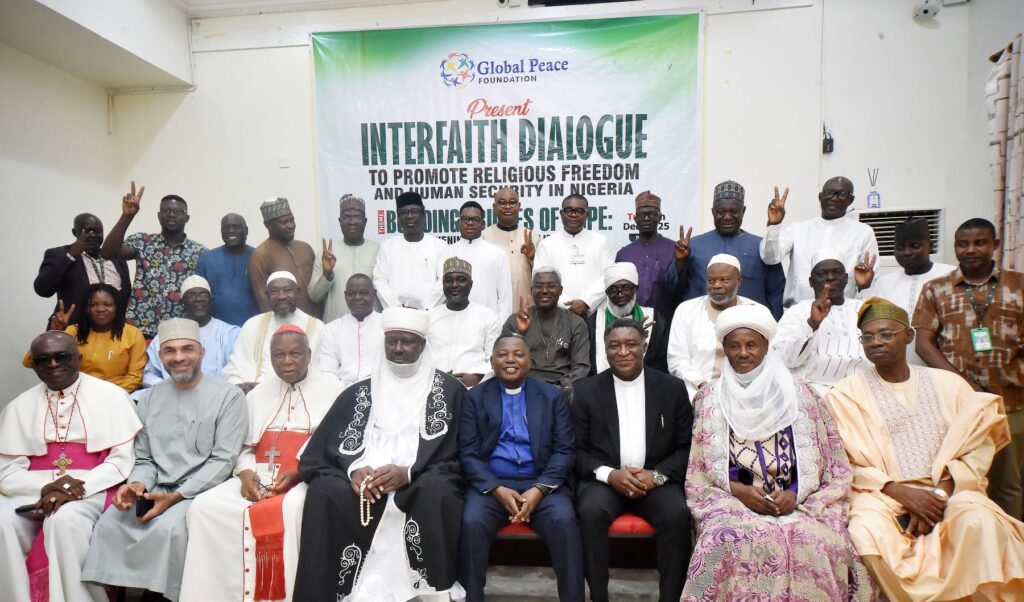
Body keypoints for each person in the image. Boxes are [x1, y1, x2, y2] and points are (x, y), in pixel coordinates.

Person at [828, 297, 1024, 600]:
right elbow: (845, 461)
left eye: (886, 334)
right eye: (868, 337)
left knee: (979, 521)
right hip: (882, 494)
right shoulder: (844, 394)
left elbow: (975, 448)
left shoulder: (950, 385)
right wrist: (900, 491)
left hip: (950, 488)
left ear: (908, 335)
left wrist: (940, 493)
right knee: (865, 531)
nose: (876, 342)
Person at [681, 304, 871, 601]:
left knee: (814, 540)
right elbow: (698, 470)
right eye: (734, 346)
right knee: (729, 539)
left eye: (751, 344)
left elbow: (835, 464)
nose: (743, 353)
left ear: (766, 346)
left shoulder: (803, 394)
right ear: (725, 349)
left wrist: (797, 494)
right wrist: (739, 492)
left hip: (802, 501)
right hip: (734, 503)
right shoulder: (709, 398)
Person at [294, 307, 466, 601]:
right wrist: (353, 469)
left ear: (422, 346)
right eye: (392, 341)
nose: (398, 349)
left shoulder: (451, 391)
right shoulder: (358, 392)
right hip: (365, 485)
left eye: (407, 342)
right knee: (323, 489)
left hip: (418, 480)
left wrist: (408, 471)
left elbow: (457, 452)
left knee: (436, 489)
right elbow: (320, 452)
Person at [81, 318, 247, 601]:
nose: (179, 357)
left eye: (187, 349)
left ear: (201, 353)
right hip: (156, 488)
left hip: (199, 493)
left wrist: (177, 496)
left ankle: (164, 595)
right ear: (160, 357)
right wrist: (135, 486)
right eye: (170, 351)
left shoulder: (228, 396)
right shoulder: (148, 399)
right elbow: (144, 458)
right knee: (111, 523)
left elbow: (223, 460)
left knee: (170, 529)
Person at [180, 325, 346, 602]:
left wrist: (300, 472)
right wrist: (245, 474)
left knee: (291, 508)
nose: (287, 361)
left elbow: (334, 446)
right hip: (258, 473)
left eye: (295, 354)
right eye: (278, 355)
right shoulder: (257, 393)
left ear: (309, 354)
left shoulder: (333, 389)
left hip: (305, 476)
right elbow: (245, 447)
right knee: (202, 508)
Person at [0, 331, 141, 602]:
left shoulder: (111, 396)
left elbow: (121, 459)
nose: (53, 364)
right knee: (2, 520)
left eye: (62, 356)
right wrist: (46, 487)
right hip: (34, 488)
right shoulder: (19, 406)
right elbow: (6, 470)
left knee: (65, 521)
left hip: (93, 486)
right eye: (43, 360)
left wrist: (79, 487)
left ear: (79, 357)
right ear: (34, 365)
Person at [572, 319, 692, 602]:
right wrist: (610, 475)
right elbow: (575, 451)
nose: (623, 352)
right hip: (605, 483)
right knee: (590, 512)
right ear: (605, 349)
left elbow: (687, 447)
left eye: (631, 344)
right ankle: (599, 596)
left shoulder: (671, 389)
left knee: (677, 515)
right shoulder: (586, 391)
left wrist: (657, 476)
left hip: (656, 481)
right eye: (614, 346)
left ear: (644, 347)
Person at [458, 335, 583, 601]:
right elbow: (468, 453)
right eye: (503, 355)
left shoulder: (552, 396)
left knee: (565, 521)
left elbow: (564, 449)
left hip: (541, 483)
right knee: (471, 523)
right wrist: (496, 489)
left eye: (518, 354)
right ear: (491, 361)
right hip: (492, 485)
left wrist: (539, 490)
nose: (511, 360)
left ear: (530, 361)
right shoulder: (475, 398)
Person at [914, 217, 1024, 519]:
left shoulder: (1018, 284)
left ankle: (1012, 553)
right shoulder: (936, 289)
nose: (971, 249)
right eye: (963, 244)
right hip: (957, 404)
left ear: (995, 246)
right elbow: (924, 344)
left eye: (980, 243)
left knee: (1009, 483)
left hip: (1012, 402)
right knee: (959, 479)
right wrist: (965, 386)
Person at [100, 181, 207, 338]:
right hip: (139, 330)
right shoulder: (142, 241)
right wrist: (127, 216)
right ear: (158, 216)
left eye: (178, 211)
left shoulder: (200, 252)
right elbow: (108, 252)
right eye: (166, 210)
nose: (171, 214)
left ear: (187, 218)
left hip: (180, 330)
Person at [673, 181, 786, 319]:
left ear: (743, 211)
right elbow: (674, 289)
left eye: (733, 212)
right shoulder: (693, 246)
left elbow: (776, 292)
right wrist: (680, 262)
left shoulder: (761, 246)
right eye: (721, 212)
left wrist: (773, 328)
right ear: (713, 212)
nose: (727, 217)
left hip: (749, 327)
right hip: (703, 325)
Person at [759, 177, 878, 306]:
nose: (834, 198)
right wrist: (774, 225)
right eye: (829, 193)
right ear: (820, 197)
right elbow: (770, 258)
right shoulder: (798, 229)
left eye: (841, 194)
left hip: (843, 314)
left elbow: (869, 280)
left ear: (851, 199)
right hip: (800, 313)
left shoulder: (863, 232)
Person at [860, 217, 954, 366]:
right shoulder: (884, 283)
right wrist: (864, 287)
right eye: (900, 248)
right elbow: (869, 323)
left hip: (944, 368)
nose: (907, 252)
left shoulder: (950, 276)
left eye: (914, 246)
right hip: (897, 369)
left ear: (930, 246)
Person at [773, 250, 869, 395]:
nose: (830, 277)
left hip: (862, 390)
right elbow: (785, 360)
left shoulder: (863, 308)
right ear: (811, 282)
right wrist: (811, 324)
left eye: (836, 272)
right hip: (815, 393)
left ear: (846, 278)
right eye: (822, 274)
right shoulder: (797, 312)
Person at [668, 254, 758, 398]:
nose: (716, 285)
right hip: (696, 391)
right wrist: (702, 386)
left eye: (724, 280)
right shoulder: (686, 310)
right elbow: (676, 360)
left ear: (739, 280)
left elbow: (768, 355)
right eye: (711, 281)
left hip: (746, 393)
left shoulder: (756, 311)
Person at [31, 282, 148, 394]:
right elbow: (30, 362)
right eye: (93, 305)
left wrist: (110, 395)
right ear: (85, 308)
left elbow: (135, 377)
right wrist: (54, 333)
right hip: (77, 395)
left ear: (117, 307)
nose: (100, 309)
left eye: (108, 304)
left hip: (117, 394)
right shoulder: (72, 331)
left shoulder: (133, 334)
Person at [223, 271, 325, 393]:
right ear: (267, 294)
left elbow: (321, 371)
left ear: (298, 292)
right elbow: (236, 368)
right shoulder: (252, 325)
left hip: (301, 394)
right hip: (256, 394)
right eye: (275, 291)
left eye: (287, 290)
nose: (281, 296)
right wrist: (246, 387)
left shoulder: (317, 327)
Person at [34, 213, 131, 328]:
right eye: (87, 231)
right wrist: (71, 256)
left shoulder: (116, 258)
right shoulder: (59, 254)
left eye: (97, 231)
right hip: (74, 330)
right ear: (75, 232)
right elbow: (43, 289)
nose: (93, 235)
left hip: (113, 333)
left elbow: (126, 296)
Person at [501, 268, 590, 393]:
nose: (544, 291)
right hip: (524, 387)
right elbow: (504, 359)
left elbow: (581, 366)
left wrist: (562, 386)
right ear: (532, 290)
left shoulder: (575, 323)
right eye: (538, 286)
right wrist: (520, 333)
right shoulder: (515, 320)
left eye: (551, 286)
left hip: (561, 388)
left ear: (560, 290)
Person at [142, 275, 240, 387]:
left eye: (203, 295)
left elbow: (236, 372)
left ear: (211, 300)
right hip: (173, 397)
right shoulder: (165, 336)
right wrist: (170, 391)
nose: (198, 299)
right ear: (183, 302)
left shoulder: (230, 334)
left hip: (216, 398)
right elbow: (150, 375)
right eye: (191, 296)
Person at [534, 194, 614, 317]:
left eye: (579, 211)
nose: (573, 214)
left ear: (587, 215)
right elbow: (539, 280)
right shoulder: (547, 244)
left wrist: (586, 302)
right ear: (561, 214)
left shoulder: (600, 241)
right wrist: (568, 306)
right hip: (558, 313)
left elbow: (609, 277)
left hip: (595, 312)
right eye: (568, 210)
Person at [427, 257, 501, 388]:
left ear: (470, 284)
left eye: (461, 280)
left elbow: (494, 359)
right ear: (443, 284)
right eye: (449, 280)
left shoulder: (487, 317)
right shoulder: (429, 317)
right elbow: (422, 358)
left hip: (476, 388)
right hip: (435, 387)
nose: (454, 285)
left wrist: (478, 378)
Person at [586, 262, 669, 375]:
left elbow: (662, 362)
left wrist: (639, 340)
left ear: (635, 289)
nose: (620, 294)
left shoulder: (654, 319)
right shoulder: (594, 322)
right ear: (607, 293)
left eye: (625, 288)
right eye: (613, 289)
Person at [308, 194, 380, 323]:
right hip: (336, 327)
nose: (352, 222)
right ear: (340, 221)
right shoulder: (326, 254)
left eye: (357, 217)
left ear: (365, 221)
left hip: (373, 327)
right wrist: (327, 274)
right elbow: (314, 296)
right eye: (346, 218)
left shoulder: (379, 251)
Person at [373, 191, 449, 309]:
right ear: (398, 218)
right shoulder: (387, 247)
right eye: (403, 212)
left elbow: (444, 280)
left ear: (423, 215)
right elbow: (379, 281)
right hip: (396, 315)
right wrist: (397, 307)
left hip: (430, 314)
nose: (409, 216)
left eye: (414, 211)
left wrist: (424, 307)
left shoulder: (439, 246)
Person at [248, 198, 319, 318]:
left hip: (313, 323)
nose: (290, 226)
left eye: (292, 220)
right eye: (284, 222)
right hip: (285, 327)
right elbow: (264, 299)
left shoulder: (305, 248)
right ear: (268, 226)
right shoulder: (260, 256)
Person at [614, 191, 678, 319]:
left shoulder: (674, 249)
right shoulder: (624, 254)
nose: (647, 218)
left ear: (660, 217)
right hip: (631, 323)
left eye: (652, 214)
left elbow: (680, 286)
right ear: (635, 218)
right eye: (642, 214)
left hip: (667, 321)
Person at [446, 201, 513, 317]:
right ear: (459, 223)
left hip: (489, 323)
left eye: (475, 219)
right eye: (465, 219)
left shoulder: (497, 254)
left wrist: (501, 326)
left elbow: (505, 297)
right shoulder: (447, 252)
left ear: (483, 224)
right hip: (453, 319)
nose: (470, 223)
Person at [317, 274, 383, 389]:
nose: (357, 297)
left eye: (364, 293)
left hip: (380, 390)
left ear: (374, 295)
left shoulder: (387, 325)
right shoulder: (331, 329)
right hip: (342, 391)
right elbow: (327, 371)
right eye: (352, 294)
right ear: (345, 296)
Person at [196, 213, 261, 327]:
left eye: (236, 227)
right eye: (226, 227)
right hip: (217, 332)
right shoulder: (206, 260)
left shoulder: (259, 257)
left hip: (253, 329)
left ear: (246, 230)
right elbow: (199, 299)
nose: (231, 231)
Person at [481, 187, 535, 311]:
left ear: (519, 206)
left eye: (511, 202)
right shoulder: (484, 236)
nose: (507, 206)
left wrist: (533, 258)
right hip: (493, 306)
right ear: (494, 207)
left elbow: (542, 273)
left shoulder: (532, 237)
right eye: (502, 202)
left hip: (526, 306)